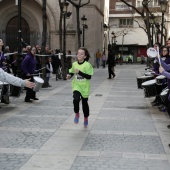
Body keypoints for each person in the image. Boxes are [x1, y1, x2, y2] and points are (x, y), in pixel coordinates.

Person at [66, 47, 93, 128]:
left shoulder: (87, 65)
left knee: (85, 104)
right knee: (76, 99)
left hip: (85, 87)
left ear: (85, 56)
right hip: (76, 86)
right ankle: (77, 113)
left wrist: (80, 72)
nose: (79, 55)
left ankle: (86, 118)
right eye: (78, 53)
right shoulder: (74, 64)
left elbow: (89, 77)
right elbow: (71, 72)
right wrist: (69, 75)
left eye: (81, 54)